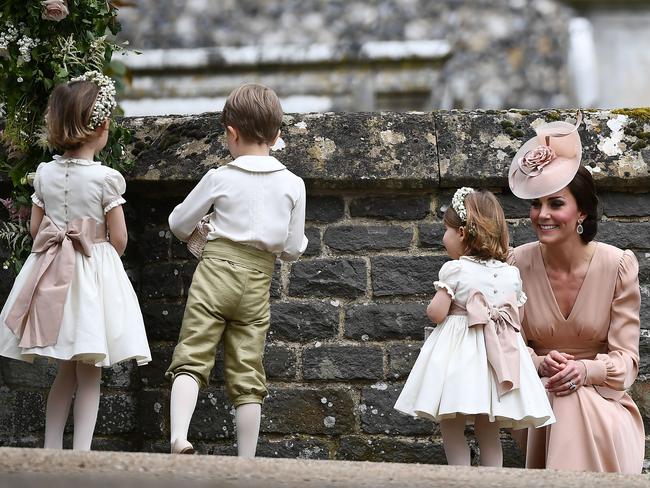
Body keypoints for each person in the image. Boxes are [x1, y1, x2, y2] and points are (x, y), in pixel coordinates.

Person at [0, 71, 151, 450]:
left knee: (65, 370)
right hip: (90, 277)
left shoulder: (45, 174)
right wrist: (102, 265)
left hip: (51, 272)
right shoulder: (105, 179)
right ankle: (81, 452)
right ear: (101, 126)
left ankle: (51, 446)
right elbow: (119, 238)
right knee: (90, 373)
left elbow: (37, 229)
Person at [165, 83, 307, 457]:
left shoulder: (220, 177)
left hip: (215, 275)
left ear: (231, 133)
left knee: (192, 354)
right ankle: (247, 460)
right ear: (277, 135)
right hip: (257, 282)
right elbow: (292, 249)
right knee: (248, 371)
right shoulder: (293, 184)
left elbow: (179, 224)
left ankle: (179, 436)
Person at [507, 113, 645, 473]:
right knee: (561, 393)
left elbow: (627, 361)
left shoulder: (617, 266)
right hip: (538, 399)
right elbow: (506, 348)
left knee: (571, 396)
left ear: (581, 211)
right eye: (536, 204)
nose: (542, 215)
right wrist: (539, 363)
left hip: (604, 401)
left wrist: (585, 370)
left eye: (556, 203)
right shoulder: (515, 265)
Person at [394, 188, 554, 467]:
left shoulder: (455, 270)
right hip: (496, 359)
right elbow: (519, 316)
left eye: (447, 229)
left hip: (460, 360)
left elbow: (437, 313)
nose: (443, 237)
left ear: (463, 233)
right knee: (488, 427)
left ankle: (460, 475)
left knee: (451, 422)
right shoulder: (510, 273)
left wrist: (433, 307)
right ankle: (491, 480)